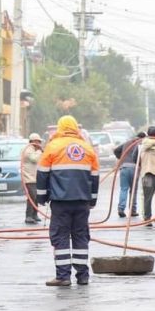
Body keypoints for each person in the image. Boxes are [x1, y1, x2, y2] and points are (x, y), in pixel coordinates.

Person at [37, 115, 99, 286]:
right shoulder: (87, 148)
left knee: (61, 237)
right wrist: (92, 200)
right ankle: (83, 276)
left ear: (60, 127)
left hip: (60, 202)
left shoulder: (52, 147)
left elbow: (42, 174)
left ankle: (63, 277)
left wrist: (41, 198)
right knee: (80, 236)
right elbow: (94, 177)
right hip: (82, 202)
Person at [113, 131, 146, 218]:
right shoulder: (142, 144)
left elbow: (116, 150)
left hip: (124, 168)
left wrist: (122, 158)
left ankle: (121, 209)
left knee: (123, 189)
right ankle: (133, 210)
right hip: (134, 169)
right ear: (144, 138)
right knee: (133, 190)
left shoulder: (127, 142)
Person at [21, 133, 43, 224]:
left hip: (35, 177)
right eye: (37, 141)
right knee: (31, 197)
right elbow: (34, 159)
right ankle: (29, 216)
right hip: (29, 178)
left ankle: (34, 214)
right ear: (32, 141)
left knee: (36, 197)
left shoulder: (33, 149)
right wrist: (39, 151)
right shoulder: (28, 150)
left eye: (39, 142)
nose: (39, 143)